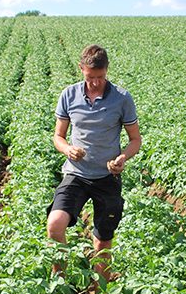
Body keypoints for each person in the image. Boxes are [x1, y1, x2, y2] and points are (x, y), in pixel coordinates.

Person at [47, 45, 142, 280]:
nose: (95, 83)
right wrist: (68, 149)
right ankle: (61, 282)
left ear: (107, 70)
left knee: (102, 240)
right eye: (90, 77)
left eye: (100, 77)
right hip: (76, 174)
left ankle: (100, 291)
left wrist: (122, 158)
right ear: (81, 69)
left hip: (107, 177)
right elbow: (58, 137)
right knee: (55, 225)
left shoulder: (121, 98)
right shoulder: (69, 95)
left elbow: (135, 140)